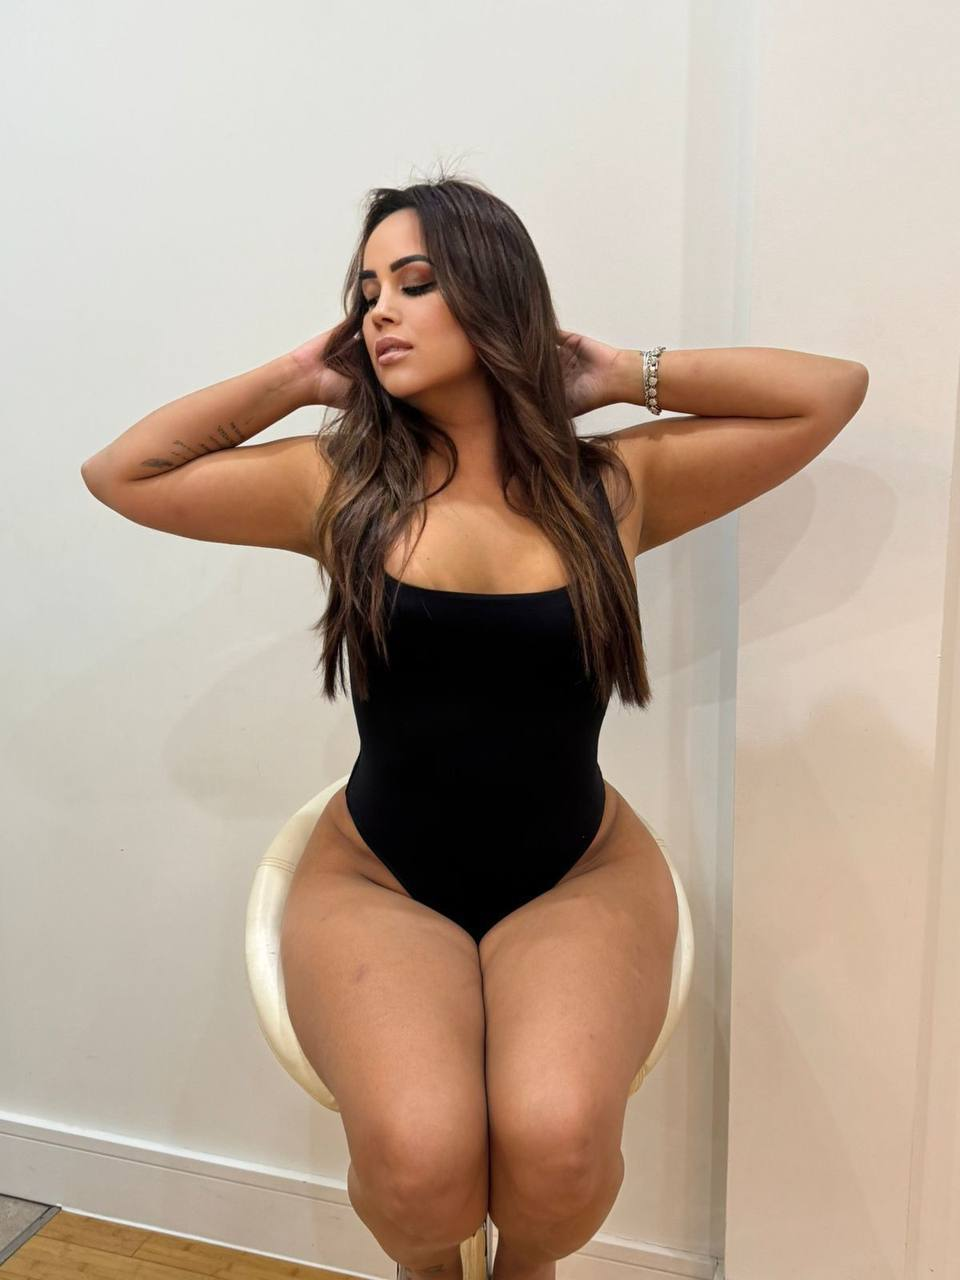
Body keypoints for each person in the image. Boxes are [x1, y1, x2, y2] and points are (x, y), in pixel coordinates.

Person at [81, 169, 867, 1280]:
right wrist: (297, 378)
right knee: (419, 1163)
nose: (380, 313)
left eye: (415, 283)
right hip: (380, 879)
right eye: (366, 293)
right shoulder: (339, 487)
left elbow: (828, 393)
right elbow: (123, 473)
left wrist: (619, 373)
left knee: (561, 1150)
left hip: (577, 872)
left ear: (495, 297)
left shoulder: (614, 488)